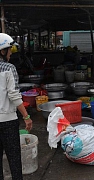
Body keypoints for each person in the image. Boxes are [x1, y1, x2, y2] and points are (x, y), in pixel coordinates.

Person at [0, 33, 32, 179]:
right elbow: (14, 95)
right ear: (2, 51)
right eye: (10, 50)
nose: (11, 53)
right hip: (8, 121)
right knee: (14, 158)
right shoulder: (9, 68)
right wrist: (26, 116)